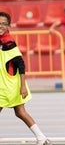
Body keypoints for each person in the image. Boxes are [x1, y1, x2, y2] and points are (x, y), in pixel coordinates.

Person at [0, 12, 52, 145]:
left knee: (20, 112)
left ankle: (41, 138)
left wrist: (23, 86)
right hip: (5, 83)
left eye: (4, 24)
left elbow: (21, 64)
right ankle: (41, 138)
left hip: (10, 85)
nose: (1, 26)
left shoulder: (9, 43)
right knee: (20, 112)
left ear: (9, 26)